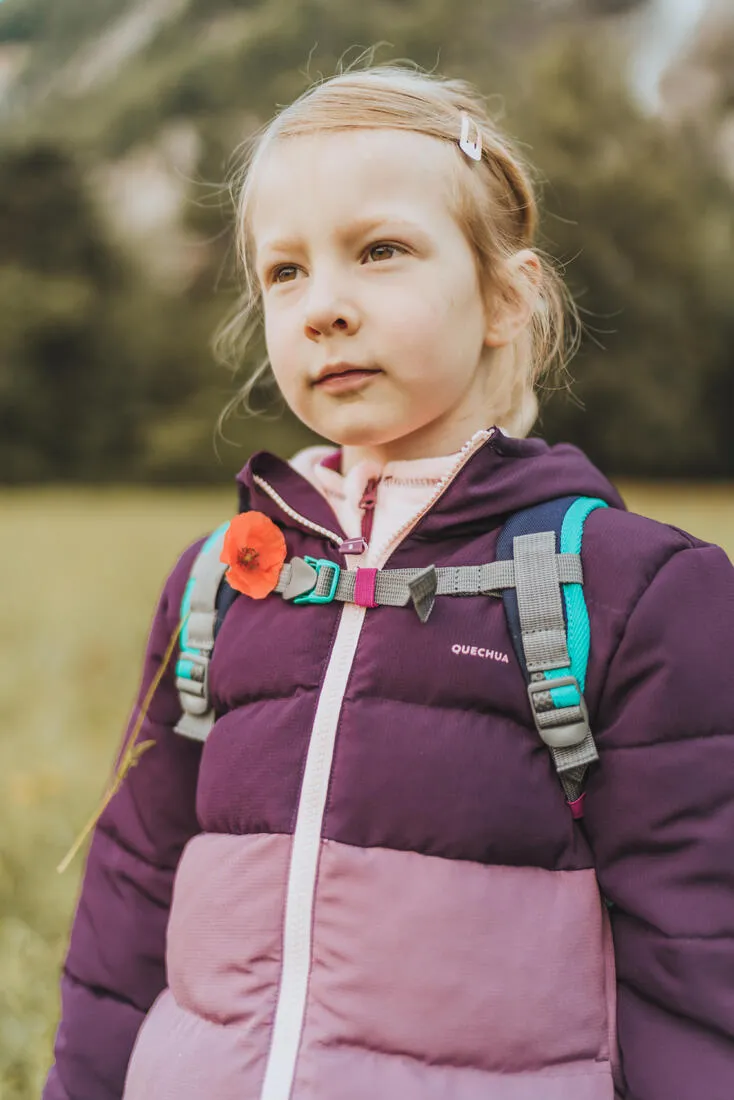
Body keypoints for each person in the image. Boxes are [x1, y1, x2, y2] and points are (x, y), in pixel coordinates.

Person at [44, 64, 734, 1100]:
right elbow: (127, 913)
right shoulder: (218, 586)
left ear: (505, 297)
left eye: (379, 251)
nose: (322, 306)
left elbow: (694, 962)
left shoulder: (630, 591)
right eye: (284, 271)